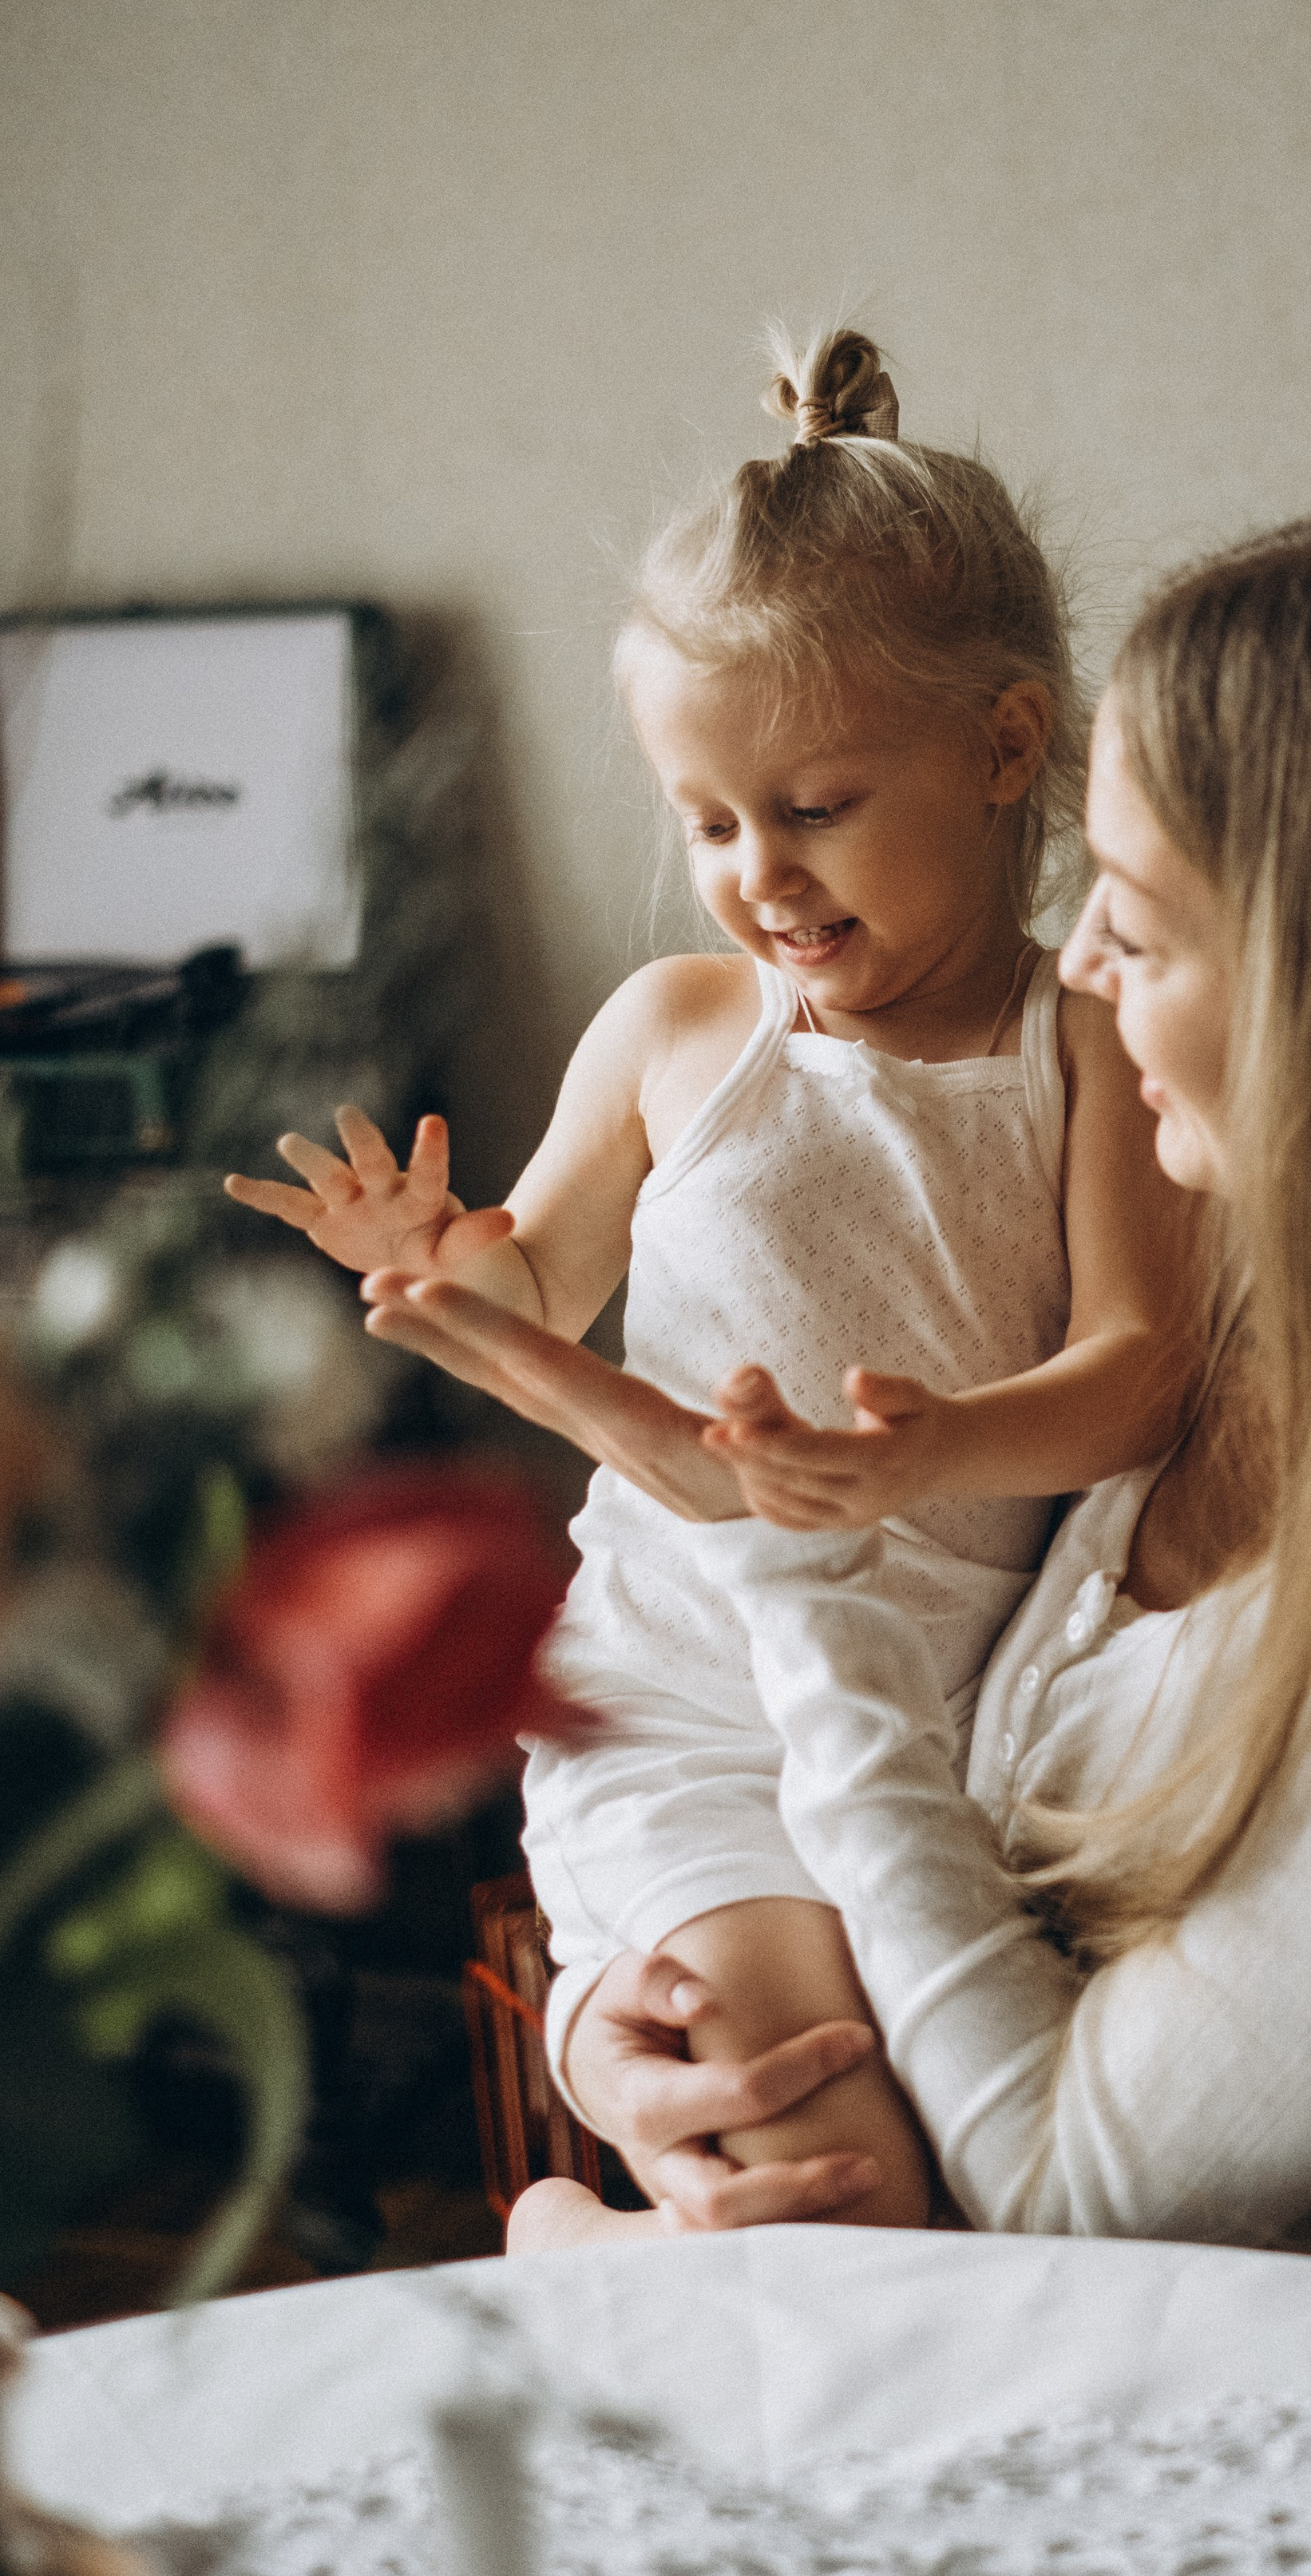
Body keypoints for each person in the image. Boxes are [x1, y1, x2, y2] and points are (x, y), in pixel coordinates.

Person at [367, 493, 1311, 2361]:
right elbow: (939, 1883)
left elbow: (1069, 2193)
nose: (1075, 966)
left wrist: (802, 1584)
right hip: (923, 2331)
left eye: (1143, 922)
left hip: (1180, 2413)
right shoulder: (1276, 1317)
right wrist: (633, 2033)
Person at [227, 329, 1203, 2230]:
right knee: (828, 2177)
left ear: (1005, 749)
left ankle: (586, 2259)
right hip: (688, 1716)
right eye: (706, 822)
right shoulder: (680, 1028)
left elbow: (1142, 1369)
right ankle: (574, 2247)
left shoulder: (1080, 1039)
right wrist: (445, 1269)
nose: (755, 873)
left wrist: (934, 1453)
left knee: (989, 2210)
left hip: (958, 1736)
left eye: (816, 804)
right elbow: (545, 1304)